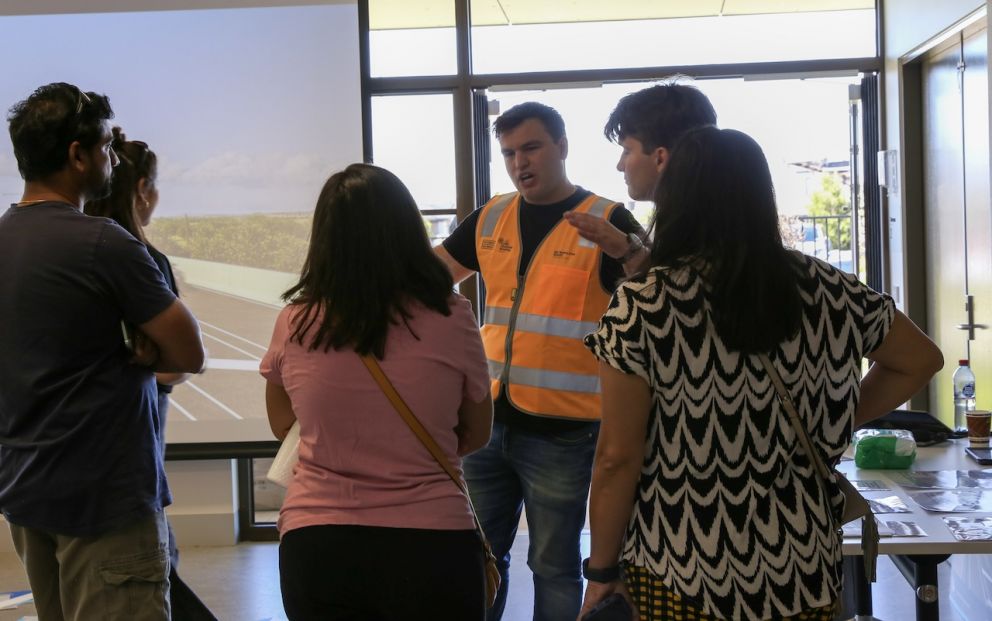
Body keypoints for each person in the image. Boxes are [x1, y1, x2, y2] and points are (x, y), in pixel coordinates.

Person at [579, 126, 943, 620]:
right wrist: (837, 417)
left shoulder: (646, 303)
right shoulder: (830, 287)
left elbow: (617, 458)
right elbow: (922, 359)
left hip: (682, 563)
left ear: (675, 199)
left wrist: (601, 571)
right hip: (803, 563)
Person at [0, 82, 205, 620]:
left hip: (27, 494)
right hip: (105, 501)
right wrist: (141, 355)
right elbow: (189, 352)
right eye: (105, 149)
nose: (112, 159)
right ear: (77, 155)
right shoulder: (104, 243)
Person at [434, 101, 641, 621]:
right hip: (488, 424)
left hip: (566, 429)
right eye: (508, 153)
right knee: (478, 556)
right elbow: (427, 278)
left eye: (531, 148)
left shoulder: (607, 219)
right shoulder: (491, 216)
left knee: (553, 564)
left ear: (562, 146)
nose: (519, 162)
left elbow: (658, 292)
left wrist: (629, 250)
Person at [260, 163, 494, 620]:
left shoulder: (296, 322)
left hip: (319, 544)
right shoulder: (453, 315)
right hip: (435, 543)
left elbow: (281, 424)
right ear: (408, 230)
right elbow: (477, 431)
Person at [84, 128, 217, 621]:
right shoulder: (140, 258)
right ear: (142, 189)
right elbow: (183, 357)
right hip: (128, 463)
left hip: (53, 474)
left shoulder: (70, 254)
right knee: (154, 573)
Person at [563, 80, 717, 268]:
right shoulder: (717, 222)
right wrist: (627, 250)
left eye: (627, 151)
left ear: (660, 158)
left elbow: (669, 290)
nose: (620, 166)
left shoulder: (691, 234)